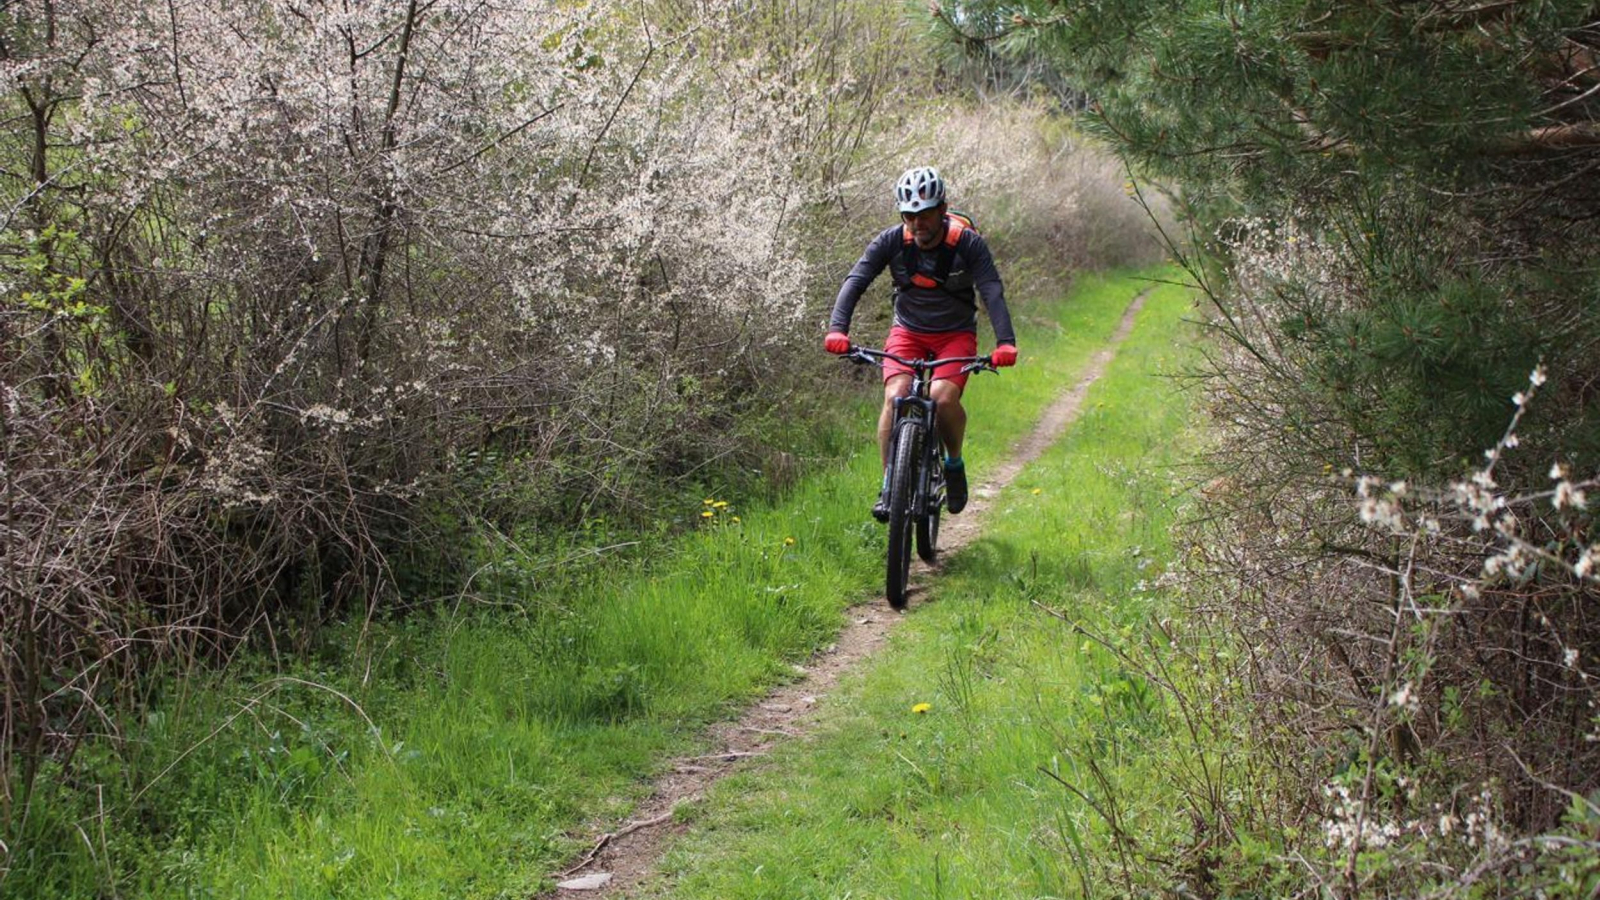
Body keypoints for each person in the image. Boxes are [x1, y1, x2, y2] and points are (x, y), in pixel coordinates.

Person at [824, 166, 1018, 521]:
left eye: (925, 214)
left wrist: (1005, 342)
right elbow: (857, 279)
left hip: (955, 334)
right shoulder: (891, 241)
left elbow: (990, 288)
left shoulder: (967, 243)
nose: (917, 223)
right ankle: (889, 486)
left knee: (942, 398)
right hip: (907, 332)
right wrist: (838, 329)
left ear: (942, 209)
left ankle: (954, 464)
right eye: (910, 216)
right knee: (895, 395)